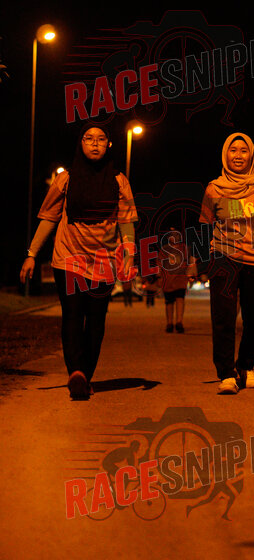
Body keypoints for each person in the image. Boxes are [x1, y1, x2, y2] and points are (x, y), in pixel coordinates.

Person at [20, 123, 137, 400]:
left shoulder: (119, 181)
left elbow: (126, 221)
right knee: (73, 314)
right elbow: (49, 218)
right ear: (80, 143)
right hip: (68, 257)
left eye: (101, 139)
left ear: (109, 144)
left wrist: (129, 256)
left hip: (104, 262)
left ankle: (85, 375)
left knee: (96, 321)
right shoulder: (66, 179)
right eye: (88, 138)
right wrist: (31, 254)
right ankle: (75, 372)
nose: (95, 143)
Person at [200, 133, 254, 394]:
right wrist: (202, 262)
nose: (238, 156)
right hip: (223, 256)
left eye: (243, 150)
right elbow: (204, 227)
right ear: (225, 155)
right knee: (223, 317)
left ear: (251, 155)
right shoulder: (214, 188)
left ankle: (246, 366)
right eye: (233, 150)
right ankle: (226, 373)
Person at [158, 228, 196, 333]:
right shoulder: (164, 249)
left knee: (180, 299)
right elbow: (159, 264)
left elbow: (191, 262)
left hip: (181, 278)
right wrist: (159, 277)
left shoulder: (185, 248)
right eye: (172, 234)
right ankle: (169, 323)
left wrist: (191, 276)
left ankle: (179, 322)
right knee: (169, 302)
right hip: (168, 280)